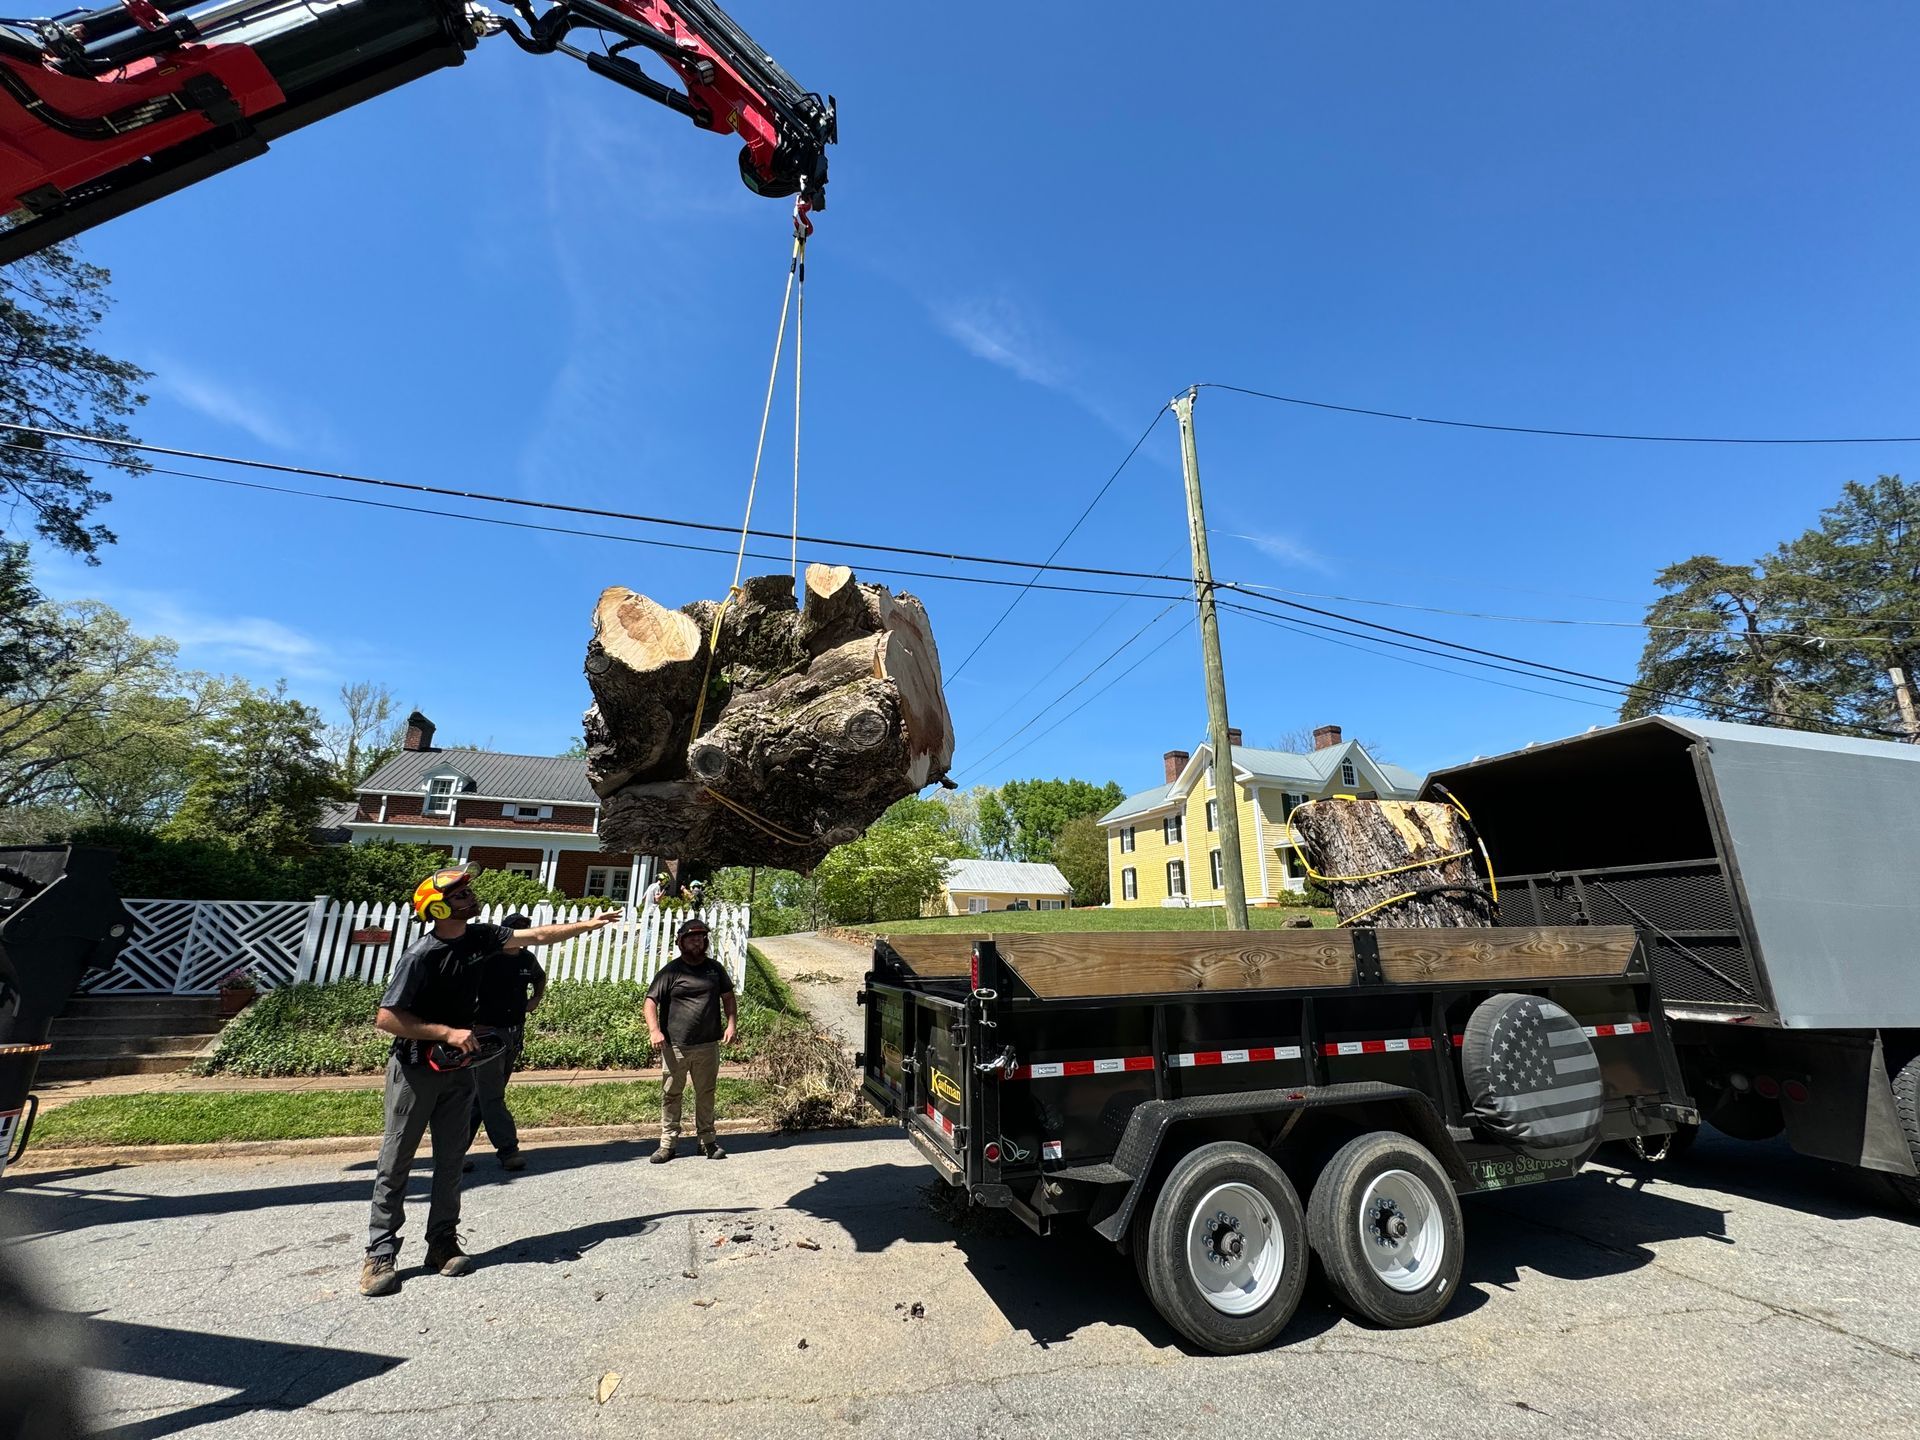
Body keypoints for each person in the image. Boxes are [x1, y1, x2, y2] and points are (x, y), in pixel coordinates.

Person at [360, 868, 618, 1298]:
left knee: (451, 1158)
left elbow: (536, 937)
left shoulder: (480, 938)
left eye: (467, 891)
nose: (471, 896)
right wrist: (447, 1033)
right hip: (415, 1070)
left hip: (458, 1067)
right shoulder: (421, 956)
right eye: (461, 895)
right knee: (396, 1162)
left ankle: (441, 1243)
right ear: (438, 908)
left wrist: (587, 925)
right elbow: (387, 1018)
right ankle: (380, 1253)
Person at [644, 916, 736, 1163]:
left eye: (701, 938)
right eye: (692, 938)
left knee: (706, 1093)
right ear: (681, 942)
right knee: (671, 1093)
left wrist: (731, 1024)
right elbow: (650, 1001)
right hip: (676, 1047)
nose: (697, 942)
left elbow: (728, 996)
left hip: (707, 1045)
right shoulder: (671, 971)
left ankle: (707, 1142)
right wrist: (655, 1031)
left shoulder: (714, 969)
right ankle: (668, 1144)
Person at [466, 911, 546, 1173]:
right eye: (516, 929)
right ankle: (508, 1150)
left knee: (481, 1097)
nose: (521, 934)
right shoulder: (488, 959)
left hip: (514, 1034)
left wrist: (536, 999)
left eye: (524, 928)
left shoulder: (526, 959)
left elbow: (539, 977)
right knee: (491, 1096)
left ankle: (451, 1152)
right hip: (487, 1034)